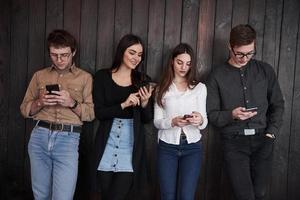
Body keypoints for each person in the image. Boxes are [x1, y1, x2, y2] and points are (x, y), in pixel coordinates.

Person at [206, 24, 284, 200]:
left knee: (260, 194)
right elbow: (211, 114)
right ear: (230, 46)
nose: (244, 58)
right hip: (234, 143)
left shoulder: (266, 71)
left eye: (250, 53)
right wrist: (231, 115)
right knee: (245, 196)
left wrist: (271, 134)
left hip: (263, 139)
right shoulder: (216, 75)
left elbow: (278, 104)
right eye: (240, 53)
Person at [20, 29, 95, 200]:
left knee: (63, 197)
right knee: (41, 196)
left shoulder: (85, 78)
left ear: (73, 52)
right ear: (49, 53)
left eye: (64, 55)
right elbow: (24, 109)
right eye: (54, 55)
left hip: (68, 140)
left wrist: (71, 103)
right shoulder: (39, 76)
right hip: (39, 137)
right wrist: (39, 102)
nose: (60, 60)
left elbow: (90, 114)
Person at [93, 34, 154, 200]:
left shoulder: (143, 80)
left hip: (130, 146)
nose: (136, 58)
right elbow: (99, 113)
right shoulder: (102, 76)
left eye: (140, 55)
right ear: (121, 51)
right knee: (105, 194)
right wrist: (123, 104)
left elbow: (147, 119)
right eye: (132, 52)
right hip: (107, 142)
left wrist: (145, 103)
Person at [154, 43, 208, 200]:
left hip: (192, 148)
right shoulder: (161, 88)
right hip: (166, 148)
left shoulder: (199, 88)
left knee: (186, 196)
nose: (184, 67)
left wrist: (199, 119)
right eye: (180, 62)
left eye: (188, 63)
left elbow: (204, 122)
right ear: (172, 61)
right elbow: (157, 122)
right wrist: (173, 122)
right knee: (168, 195)